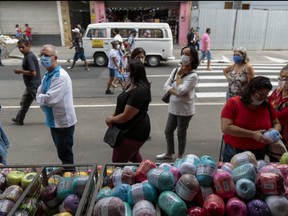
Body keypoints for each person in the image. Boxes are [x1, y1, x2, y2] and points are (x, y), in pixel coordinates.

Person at [221, 76, 281, 162]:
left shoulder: (266, 105)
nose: (262, 98)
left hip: (259, 152)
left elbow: (276, 123)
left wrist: (274, 130)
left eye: (265, 95)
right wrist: (252, 134)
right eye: (260, 94)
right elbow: (226, 128)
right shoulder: (233, 103)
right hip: (235, 151)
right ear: (251, 90)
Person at [36, 44, 77, 171]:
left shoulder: (60, 76)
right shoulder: (47, 75)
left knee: (65, 152)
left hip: (62, 122)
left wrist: (40, 98)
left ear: (55, 57)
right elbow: (39, 93)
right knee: (61, 150)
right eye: (41, 55)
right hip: (53, 120)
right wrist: (41, 97)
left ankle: (71, 174)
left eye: (47, 55)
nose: (43, 58)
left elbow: (49, 98)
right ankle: (67, 170)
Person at [156, 45, 200, 160]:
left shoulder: (193, 76)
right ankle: (169, 153)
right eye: (183, 53)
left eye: (187, 54)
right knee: (168, 131)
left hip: (185, 110)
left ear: (193, 58)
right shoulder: (175, 70)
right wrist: (177, 92)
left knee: (181, 134)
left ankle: (180, 157)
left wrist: (179, 77)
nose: (184, 56)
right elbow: (166, 86)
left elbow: (181, 90)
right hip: (173, 107)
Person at [105, 59, 151, 162]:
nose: (124, 72)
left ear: (134, 72)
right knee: (134, 156)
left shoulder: (139, 91)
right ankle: (143, 174)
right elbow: (122, 105)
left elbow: (126, 116)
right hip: (130, 128)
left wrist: (111, 119)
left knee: (118, 161)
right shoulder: (131, 85)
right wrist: (113, 116)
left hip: (133, 131)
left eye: (127, 70)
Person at [12, 39, 41, 125]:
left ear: (28, 46)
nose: (21, 49)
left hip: (33, 85)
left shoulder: (29, 57)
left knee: (42, 103)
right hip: (30, 85)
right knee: (24, 102)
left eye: (23, 47)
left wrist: (20, 71)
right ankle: (19, 119)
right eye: (19, 47)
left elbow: (33, 72)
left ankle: (55, 117)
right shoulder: (27, 55)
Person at [269, 65, 288, 147]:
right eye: (282, 77)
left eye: (287, 78)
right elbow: (267, 101)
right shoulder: (278, 91)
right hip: (274, 133)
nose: (284, 80)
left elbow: (281, 115)